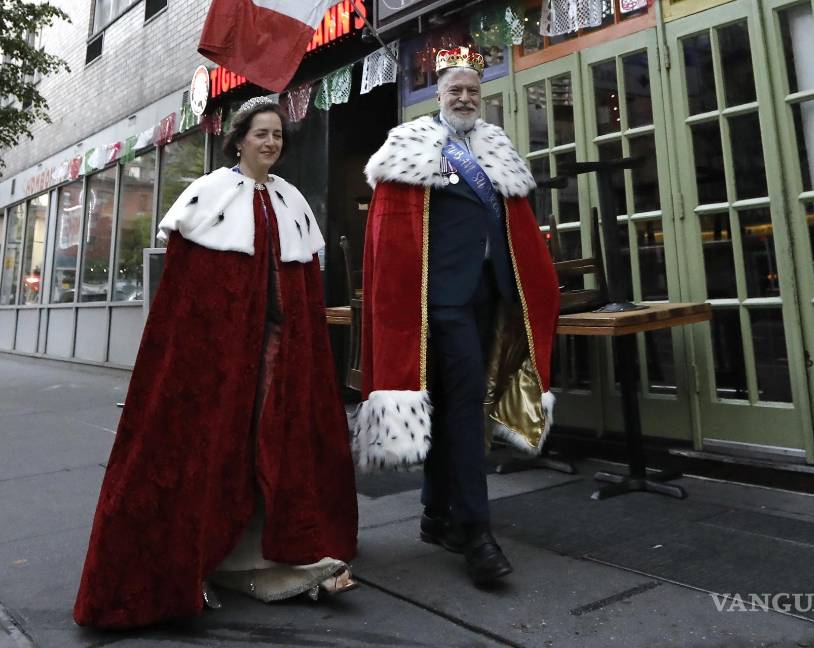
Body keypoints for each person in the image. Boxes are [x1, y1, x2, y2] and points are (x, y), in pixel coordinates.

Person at [74, 97, 358, 629]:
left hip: (277, 359)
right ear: (239, 139)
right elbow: (186, 305)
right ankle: (191, 561)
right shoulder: (209, 195)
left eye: (277, 135)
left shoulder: (291, 201)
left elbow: (298, 297)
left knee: (269, 445)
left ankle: (264, 552)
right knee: (207, 448)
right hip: (218, 364)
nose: (271, 142)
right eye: (261, 134)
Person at [356, 47, 560, 585]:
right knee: (465, 410)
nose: (465, 98)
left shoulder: (498, 149)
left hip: (491, 300)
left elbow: (516, 230)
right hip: (438, 303)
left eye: (473, 91)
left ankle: (435, 514)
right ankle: (476, 532)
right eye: (455, 91)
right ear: (437, 97)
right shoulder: (410, 147)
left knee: (453, 406)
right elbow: (391, 235)